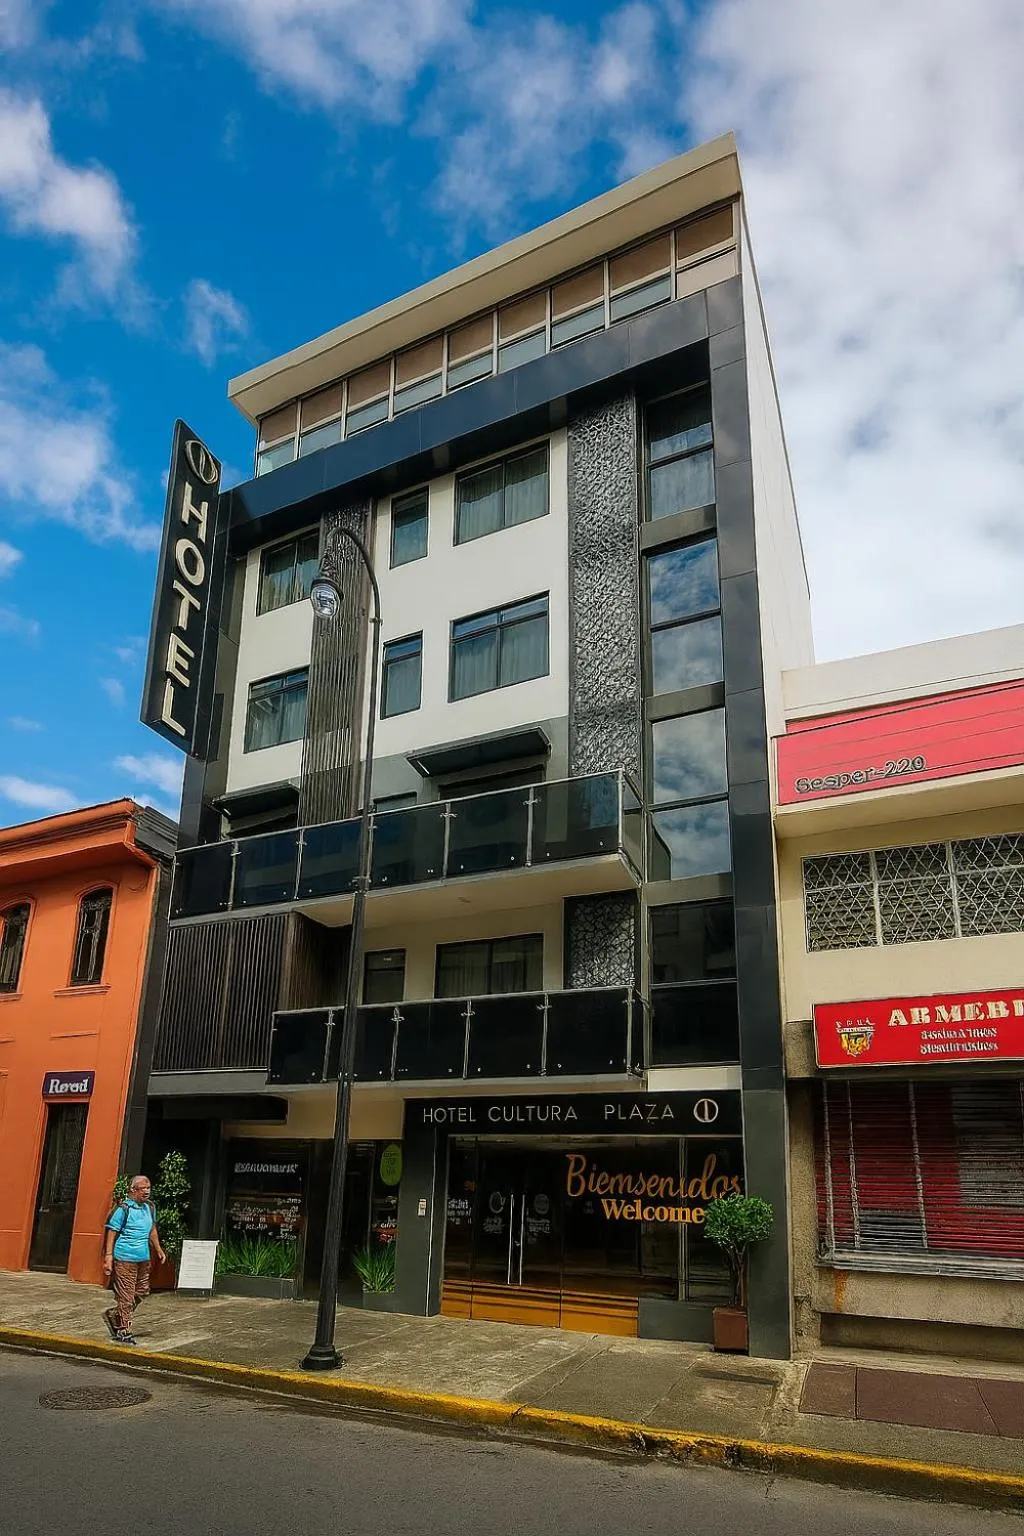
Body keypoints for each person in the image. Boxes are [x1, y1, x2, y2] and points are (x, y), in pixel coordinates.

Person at [103, 1175, 166, 1345]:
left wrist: (158, 1249)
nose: (146, 1191)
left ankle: (116, 1315)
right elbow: (112, 1231)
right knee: (126, 1295)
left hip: (143, 1258)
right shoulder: (123, 1209)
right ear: (133, 1190)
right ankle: (124, 1329)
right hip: (125, 1258)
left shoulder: (149, 1207)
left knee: (143, 1291)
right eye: (143, 1188)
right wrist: (108, 1257)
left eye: (148, 1188)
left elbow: (152, 1229)